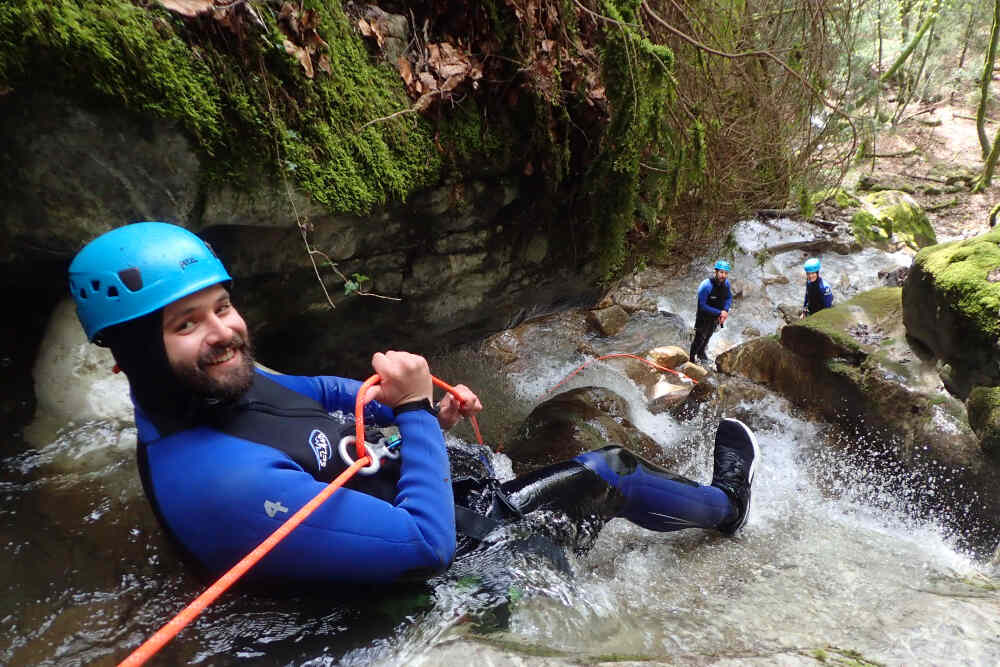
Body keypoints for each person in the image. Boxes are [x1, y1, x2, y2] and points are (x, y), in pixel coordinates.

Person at [68, 222, 760, 590]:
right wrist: (421, 417)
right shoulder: (218, 481)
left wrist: (412, 407)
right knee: (604, 470)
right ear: (128, 354)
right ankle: (729, 506)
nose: (223, 331)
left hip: (422, 508)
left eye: (222, 307)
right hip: (445, 572)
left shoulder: (224, 383)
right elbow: (427, 549)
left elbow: (331, 394)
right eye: (186, 324)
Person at [689, 260, 733, 364]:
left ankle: (701, 353)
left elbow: (729, 297)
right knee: (699, 338)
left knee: (709, 335)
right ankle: (691, 359)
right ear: (716, 272)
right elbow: (702, 306)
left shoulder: (726, 284)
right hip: (703, 317)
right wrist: (720, 313)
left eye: (726, 273)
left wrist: (725, 310)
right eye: (721, 272)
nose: (723, 275)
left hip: (715, 317)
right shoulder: (706, 286)